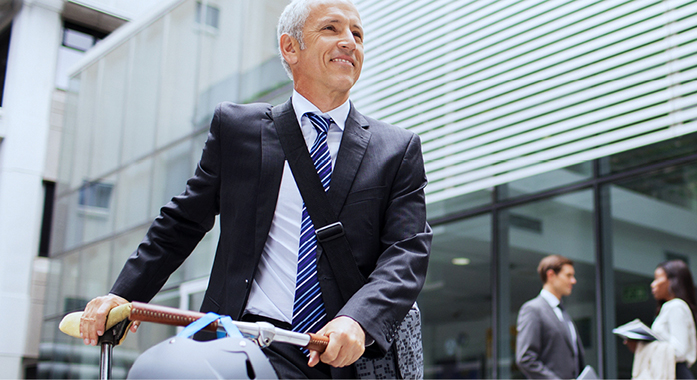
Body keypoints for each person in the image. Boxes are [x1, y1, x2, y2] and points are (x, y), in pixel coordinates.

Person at [77, 0, 432, 378]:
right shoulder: (237, 129)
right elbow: (180, 224)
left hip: (342, 355)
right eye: (331, 29)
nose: (349, 42)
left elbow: (406, 252)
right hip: (246, 348)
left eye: (357, 34)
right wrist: (124, 294)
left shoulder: (397, 149)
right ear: (290, 47)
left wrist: (358, 320)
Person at [516, 255, 586, 379]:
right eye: (568, 275)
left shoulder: (563, 313)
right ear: (551, 275)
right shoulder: (533, 310)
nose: (573, 281)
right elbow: (526, 358)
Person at [628, 260, 697, 379]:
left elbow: (679, 351)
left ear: (672, 281)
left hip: (675, 374)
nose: (653, 284)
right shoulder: (668, 308)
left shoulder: (676, 306)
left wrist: (645, 348)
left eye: (657, 278)